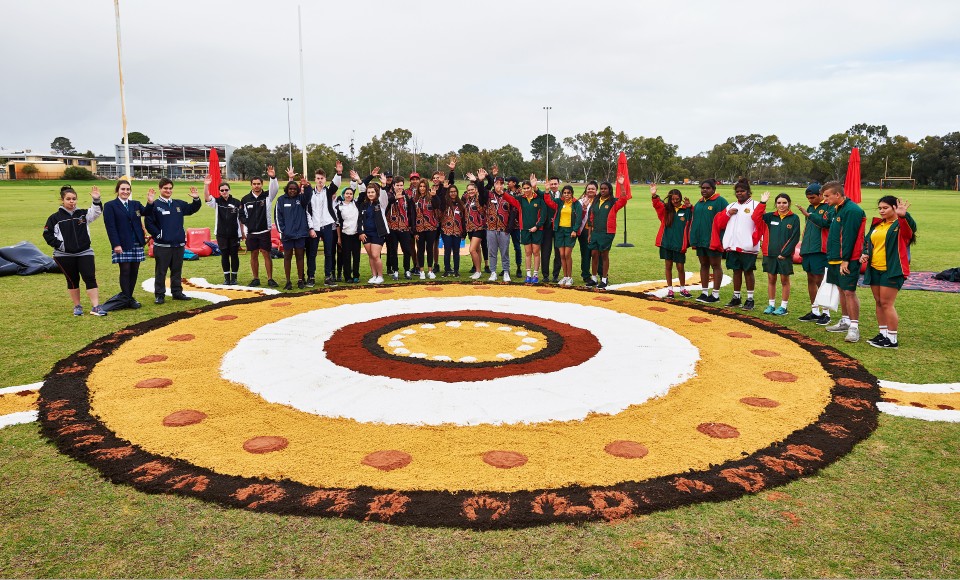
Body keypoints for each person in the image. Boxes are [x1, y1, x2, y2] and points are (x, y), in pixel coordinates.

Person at [860, 196, 917, 349]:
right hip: (874, 268)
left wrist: (904, 215)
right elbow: (867, 241)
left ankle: (892, 339)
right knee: (879, 302)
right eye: (880, 208)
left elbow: (910, 231)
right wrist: (865, 253)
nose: (882, 211)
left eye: (885, 208)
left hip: (892, 270)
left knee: (887, 303)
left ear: (894, 208)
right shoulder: (878, 224)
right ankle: (883, 334)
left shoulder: (900, 224)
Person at [43, 185, 106, 316]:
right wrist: (61, 246)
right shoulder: (54, 218)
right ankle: (77, 306)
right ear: (62, 200)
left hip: (85, 252)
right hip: (63, 255)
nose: (72, 201)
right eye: (68, 199)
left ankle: (96, 307)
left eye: (74, 199)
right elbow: (47, 234)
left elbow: (96, 212)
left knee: (90, 277)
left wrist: (96, 199)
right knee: (72, 280)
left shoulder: (82, 214)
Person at [821, 181, 867, 342]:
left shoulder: (852, 210)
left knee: (849, 291)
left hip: (847, 259)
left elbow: (850, 237)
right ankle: (845, 321)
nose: (824, 200)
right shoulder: (837, 209)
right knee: (841, 290)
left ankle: (854, 327)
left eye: (827, 196)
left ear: (837, 195)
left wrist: (845, 260)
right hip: (834, 257)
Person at [144, 178, 202, 304]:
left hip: (178, 244)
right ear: (160, 189)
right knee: (161, 271)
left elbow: (192, 209)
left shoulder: (178, 204)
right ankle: (160, 295)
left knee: (176, 270)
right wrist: (158, 235)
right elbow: (148, 222)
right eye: (165, 188)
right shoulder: (154, 205)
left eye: (170, 188)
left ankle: (177, 292)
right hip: (162, 245)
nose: (168, 190)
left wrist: (196, 199)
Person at [714, 178, 765, 310]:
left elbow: (760, 224)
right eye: (737, 191)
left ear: (749, 192)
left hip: (748, 245)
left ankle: (750, 299)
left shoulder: (755, 205)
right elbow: (719, 224)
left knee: (748, 271)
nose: (739, 193)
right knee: (736, 271)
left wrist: (759, 240)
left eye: (742, 191)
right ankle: (736, 297)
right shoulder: (731, 206)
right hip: (732, 245)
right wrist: (727, 214)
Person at [103, 179, 150, 309]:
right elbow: (110, 227)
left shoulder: (135, 204)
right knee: (125, 270)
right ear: (117, 190)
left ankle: (128, 298)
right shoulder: (110, 205)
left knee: (134, 271)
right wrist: (116, 244)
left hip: (137, 242)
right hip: (122, 243)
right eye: (123, 189)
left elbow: (147, 212)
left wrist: (150, 202)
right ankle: (127, 298)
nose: (125, 191)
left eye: (128, 189)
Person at [795, 183, 832, 324]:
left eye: (812, 197)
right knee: (810, 279)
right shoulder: (810, 208)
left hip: (820, 249)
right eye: (808, 198)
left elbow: (826, 224)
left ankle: (826, 313)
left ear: (821, 195)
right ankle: (815, 310)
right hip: (808, 248)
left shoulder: (828, 207)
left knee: (820, 280)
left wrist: (809, 215)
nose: (810, 200)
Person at [585, 177, 631, 289]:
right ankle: (594, 278)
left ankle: (604, 279)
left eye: (605, 189)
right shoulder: (596, 201)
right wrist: (590, 234)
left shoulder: (613, 202)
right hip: (595, 232)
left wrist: (621, 185)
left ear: (609, 190)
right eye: (601, 189)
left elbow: (624, 199)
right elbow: (591, 218)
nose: (603, 190)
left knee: (604, 255)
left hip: (607, 232)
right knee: (594, 254)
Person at [759, 192, 801, 315]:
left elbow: (795, 237)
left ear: (789, 204)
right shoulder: (770, 217)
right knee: (771, 278)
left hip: (784, 256)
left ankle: (783, 307)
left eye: (784, 203)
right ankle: (771, 305)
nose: (781, 205)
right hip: (770, 254)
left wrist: (785, 253)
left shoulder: (794, 218)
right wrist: (763, 202)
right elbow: (755, 217)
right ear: (775, 204)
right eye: (778, 203)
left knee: (784, 280)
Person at [238, 167, 279, 287]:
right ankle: (255, 278)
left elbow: (275, 189)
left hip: (264, 231)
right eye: (254, 184)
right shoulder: (245, 199)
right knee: (254, 254)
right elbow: (241, 215)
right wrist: (248, 224)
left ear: (262, 184)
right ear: (251, 185)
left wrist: (272, 177)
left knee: (266, 254)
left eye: (258, 184)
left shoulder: (267, 196)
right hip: (252, 232)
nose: (256, 186)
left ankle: (270, 278)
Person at [689, 179, 728, 303]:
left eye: (707, 188)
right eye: (702, 188)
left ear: (713, 189)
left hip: (714, 241)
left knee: (716, 265)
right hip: (701, 240)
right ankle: (704, 292)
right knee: (704, 265)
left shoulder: (720, 201)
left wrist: (722, 239)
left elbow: (726, 220)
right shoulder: (699, 203)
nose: (704, 190)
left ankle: (715, 294)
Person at [304, 161, 342, 286]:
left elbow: (336, 185)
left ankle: (328, 276)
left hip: (327, 226)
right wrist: (310, 228)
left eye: (322, 178)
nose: (320, 180)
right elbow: (308, 212)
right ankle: (311, 276)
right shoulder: (310, 193)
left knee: (329, 252)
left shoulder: (329, 191)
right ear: (315, 179)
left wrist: (339, 173)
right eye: (318, 178)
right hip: (314, 226)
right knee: (312, 253)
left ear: (325, 179)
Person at [503, 175, 547, 283]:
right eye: (524, 188)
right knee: (528, 252)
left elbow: (543, 216)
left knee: (536, 252)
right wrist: (501, 192)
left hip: (537, 230)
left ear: (532, 188)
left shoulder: (539, 199)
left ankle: (535, 275)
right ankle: (528, 275)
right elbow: (510, 199)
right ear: (522, 189)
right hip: (525, 230)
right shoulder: (520, 199)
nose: (526, 190)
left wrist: (536, 226)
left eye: (528, 188)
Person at [651, 186, 693, 298]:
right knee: (668, 266)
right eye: (673, 199)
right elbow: (657, 204)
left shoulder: (686, 210)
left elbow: (694, 217)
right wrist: (654, 195)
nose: (675, 201)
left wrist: (690, 207)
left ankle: (683, 289)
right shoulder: (666, 210)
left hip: (679, 244)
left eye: (677, 199)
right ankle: (670, 289)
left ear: (680, 198)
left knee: (680, 267)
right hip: (666, 243)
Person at [274, 169, 311, 290]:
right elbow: (277, 216)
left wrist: (306, 185)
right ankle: (288, 281)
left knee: (300, 257)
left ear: (298, 190)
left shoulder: (301, 199)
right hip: (287, 235)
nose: (292, 191)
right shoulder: (281, 200)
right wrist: (282, 231)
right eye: (290, 189)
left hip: (300, 234)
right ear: (287, 189)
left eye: (295, 189)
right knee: (287, 257)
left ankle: (300, 280)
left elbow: (308, 195)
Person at [203, 176, 244, 285]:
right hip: (221, 234)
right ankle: (227, 278)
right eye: (222, 190)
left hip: (234, 233)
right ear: (219, 192)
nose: (224, 192)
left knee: (234, 255)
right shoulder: (216, 201)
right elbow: (207, 198)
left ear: (229, 190)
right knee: (224, 255)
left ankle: (234, 277)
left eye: (226, 190)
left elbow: (241, 219)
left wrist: (243, 233)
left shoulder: (236, 202)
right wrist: (206, 185)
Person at [542, 184, 583, 286]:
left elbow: (578, 219)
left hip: (570, 231)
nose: (566, 195)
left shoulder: (576, 204)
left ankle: (570, 277)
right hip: (559, 231)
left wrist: (574, 230)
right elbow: (549, 202)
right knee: (561, 255)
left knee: (567, 254)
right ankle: (564, 277)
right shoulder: (559, 202)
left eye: (568, 193)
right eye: (564, 193)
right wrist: (547, 191)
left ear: (572, 193)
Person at [482, 167, 514, 282]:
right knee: (492, 252)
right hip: (491, 228)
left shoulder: (508, 197)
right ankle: (493, 272)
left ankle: (506, 272)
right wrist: (488, 177)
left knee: (504, 252)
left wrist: (509, 228)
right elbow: (482, 190)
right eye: (497, 184)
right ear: (494, 185)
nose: (499, 186)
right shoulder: (489, 195)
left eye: (501, 184)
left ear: (504, 185)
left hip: (504, 229)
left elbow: (513, 213)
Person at [384, 176, 416, 280]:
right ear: (393, 186)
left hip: (404, 228)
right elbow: (384, 207)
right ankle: (395, 271)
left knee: (407, 250)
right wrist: (394, 199)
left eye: (401, 185)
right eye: (397, 185)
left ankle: (407, 270)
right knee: (393, 250)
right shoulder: (389, 196)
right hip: (392, 228)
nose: (399, 187)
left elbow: (411, 213)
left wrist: (412, 227)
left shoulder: (407, 197)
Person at [358, 178, 390, 284]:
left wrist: (384, 185)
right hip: (367, 234)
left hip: (378, 233)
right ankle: (374, 275)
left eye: (372, 192)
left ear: (376, 193)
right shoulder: (364, 205)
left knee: (376, 255)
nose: (370, 194)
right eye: (368, 192)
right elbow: (360, 219)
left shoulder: (381, 204)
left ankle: (380, 276)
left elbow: (385, 197)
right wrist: (361, 232)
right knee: (371, 255)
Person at [414, 173, 442, 279]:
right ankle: (421, 270)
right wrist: (414, 231)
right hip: (419, 228)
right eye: (420, 186)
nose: (422, 188)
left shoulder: (432, 196)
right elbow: (412, 215)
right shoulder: (415, 199)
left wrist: (434, 196)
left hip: (431, 227)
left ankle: (430, 270)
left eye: (424, 186)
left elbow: (437, 205)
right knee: (420, 249)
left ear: (427, 187)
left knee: (429, 248)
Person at [463, 169, 490, 279]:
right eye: (469, 190)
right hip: (470, 228)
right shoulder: (467, 200)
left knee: (472, 249)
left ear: (476, 189)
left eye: (472, 189)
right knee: (477, 250)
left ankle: (478, 271)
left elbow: (483, 191)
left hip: (480, 228)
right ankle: (478, 271)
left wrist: (479, 180)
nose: (470, 191)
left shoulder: (480, 198)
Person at [438, 182, 466, 277]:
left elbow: (463, 219)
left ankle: (456, 270)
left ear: (457, 192)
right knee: (447, 251)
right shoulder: (445, 203)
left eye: (454, 191)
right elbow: (440, 199)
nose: (453, 193)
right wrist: (444, 188)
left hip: (457, 231)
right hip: (446, 230)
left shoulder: (461, 204)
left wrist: (464, 232)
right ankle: (447, 270)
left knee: (456, 251)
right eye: (451, 192)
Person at [335, 185, 362, 283]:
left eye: (351, 194)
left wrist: (357, 181)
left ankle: (356, 275)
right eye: (347, 193)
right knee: (346, 256)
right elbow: (337, 223)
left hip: (355, 234)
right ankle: (347, 276)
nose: (349, 195)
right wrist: (339, 238)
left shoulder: (356, 204)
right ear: (343, 194)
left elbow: (363, 192)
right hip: (345, 234)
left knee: (356, 256)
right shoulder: (339, 207)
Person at [541, 176, 561, 283]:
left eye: (555, 184)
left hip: (559, 228)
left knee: (558, 252)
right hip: (547, 227)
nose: (553, 186)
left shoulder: (565, 195)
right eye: (551, 184)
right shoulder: (545, 194)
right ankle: (545, 275)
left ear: (559, 184)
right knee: (545, 252)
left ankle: (556, 275)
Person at [576, 182, 597, 283]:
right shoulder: (580, 201)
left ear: (596, 190)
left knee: (598, 253)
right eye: (589, 189)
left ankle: (599, 274)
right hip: (584, 230)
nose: (590, 190)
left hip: (597, 230)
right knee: (586, 253)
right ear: (586, 190)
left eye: (593, 189)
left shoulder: (600, 201)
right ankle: (586, 275)